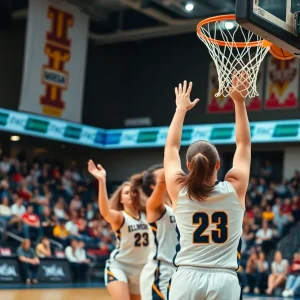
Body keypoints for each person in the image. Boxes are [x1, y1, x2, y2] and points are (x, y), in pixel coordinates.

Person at [164, 77, 251, 300]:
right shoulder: (234, 189)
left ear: (188, 166)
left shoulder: (179, 191)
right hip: (224, 280)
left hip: (186, 278)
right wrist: (239, 102)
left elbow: (172, 147)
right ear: (219, 165)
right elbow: (244, 145)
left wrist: (180, 110)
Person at [88, 160, 149, 300]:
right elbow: (105, 211)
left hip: (142, 270)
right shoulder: (120, 217)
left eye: (133, 192)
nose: (130, 194)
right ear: (121, 199)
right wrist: (102, 181)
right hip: (119, 266)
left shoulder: (148, 215)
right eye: (126, 193)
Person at [131, 166, 177, 300]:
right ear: (153, 186)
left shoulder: (176, 206)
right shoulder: (153, 206)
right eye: (162, 174)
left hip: (177, 271)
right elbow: (164, 179)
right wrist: (170, 157)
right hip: (159, 271)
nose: (167, 175)